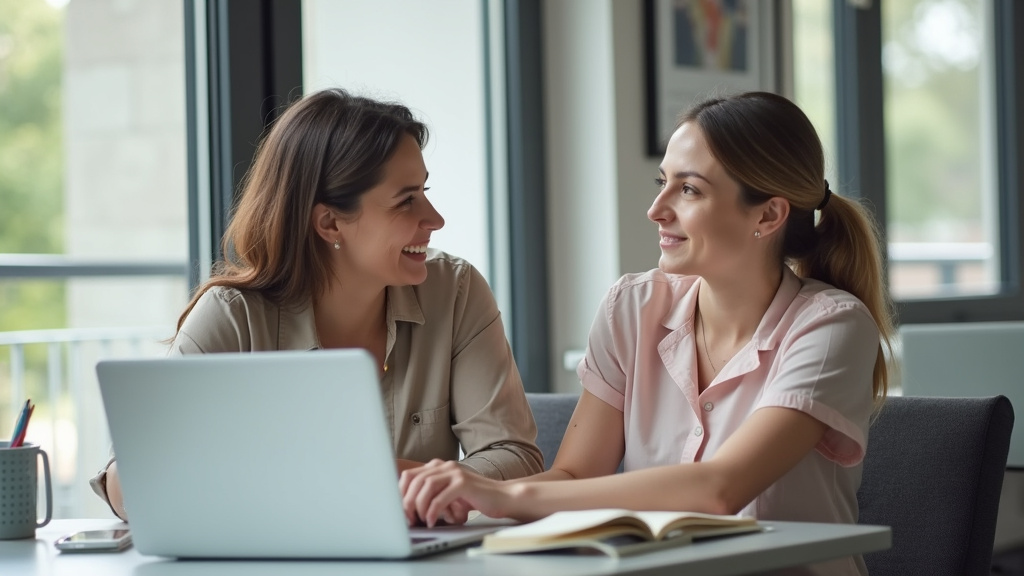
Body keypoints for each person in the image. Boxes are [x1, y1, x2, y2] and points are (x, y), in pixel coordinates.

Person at [398, 91, 896, 576]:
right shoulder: (631, 307)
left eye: (689, 189)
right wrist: (465, 500)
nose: (657, 209)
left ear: (767, 214)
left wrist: (504, 493)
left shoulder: (831, 325)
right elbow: (575, 476)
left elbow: (719, 489)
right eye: (663, 182)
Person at [90, 88, 544, 521]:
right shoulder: (234, 317)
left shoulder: (456, 291)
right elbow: (129, 480)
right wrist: (388, 478)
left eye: (424, 191)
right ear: (329, 223)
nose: (435, 219)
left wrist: (375, 477)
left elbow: (517, 458)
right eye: (406, 201)